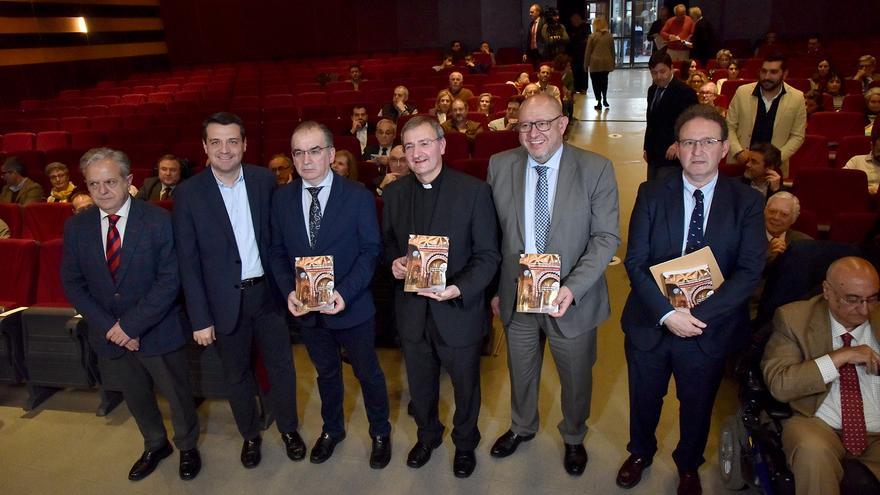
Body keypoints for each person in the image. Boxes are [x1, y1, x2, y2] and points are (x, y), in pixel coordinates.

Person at [618, 105, 766, 495]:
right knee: (645, 397)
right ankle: (641, 452)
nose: (697, 150)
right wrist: (668, 313)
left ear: (724, 148)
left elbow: (750, 271)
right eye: (688, 142)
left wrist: (694, 316)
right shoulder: (651, 192)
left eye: (708, 142)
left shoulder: (746, 201)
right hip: (651, 321)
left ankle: (688, 465)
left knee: (697, 405)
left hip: (709, 327)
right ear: (676, 148)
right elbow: (635, 261)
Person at [487, 94, 621, 476]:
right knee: (521, 369)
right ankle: (522, 426)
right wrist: (498, 289)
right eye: (525, 125)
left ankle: (574, 435)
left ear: (562, 124)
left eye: (543, 123)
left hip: (572, 298)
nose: (533, 134)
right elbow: (497, 235)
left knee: (576, 376)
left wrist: (573, 287)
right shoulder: (500, 166)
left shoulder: (596, 168)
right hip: (519, 292)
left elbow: (606, 237)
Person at [60, 147, 201, 482]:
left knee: (178, 395)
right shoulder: (77, 228)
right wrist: (113, 327)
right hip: (110, 335)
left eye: (110, 181)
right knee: (135, 395)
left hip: (158, 329)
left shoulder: (158, 221)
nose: (102, 191)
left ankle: (186, 446)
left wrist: (132, 325)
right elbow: (74, 283)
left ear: (129, 181)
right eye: (94, 185)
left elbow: (170, 280)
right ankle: (155, 443)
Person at [173, 112, 304, 469]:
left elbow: (278, 242)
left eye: (233, 141)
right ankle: (250, 435)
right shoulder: (188, 194)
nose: (225, 149)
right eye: (216, 142)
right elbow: (188, 262)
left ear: (245, 145)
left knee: (281, 367)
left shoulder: (264, 181)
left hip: (268, 296)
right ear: (204, 147)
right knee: (237, 375)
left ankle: (289, 428)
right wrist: (199, 318)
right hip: (222, 304)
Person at [382, 116, 500, 478]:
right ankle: (428, 435)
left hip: (457, 309)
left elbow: (488, 256)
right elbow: (387, 243)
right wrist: (395, 263)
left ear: (442, 146)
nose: (418, 153)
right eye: (410, 146)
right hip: (413, 311)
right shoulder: (395, 193)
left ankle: (465, 444)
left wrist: (457, 288)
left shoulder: (474, 191)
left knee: (465, 386)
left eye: (425, 143)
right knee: (419, 382)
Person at [270, 121, 392, 468]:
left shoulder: (357, 196)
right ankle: (333, 430)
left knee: (368, 373)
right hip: (308, 309)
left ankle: (380, 432)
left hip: (351, 306)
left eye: (314, 150)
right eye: (298, 152)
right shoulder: (280, 199)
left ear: (330, 154)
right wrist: (288, 291)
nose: (306, 160)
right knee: (325, 374)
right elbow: (276, 252)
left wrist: (345, 293)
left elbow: (371, 251)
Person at [762, 256, 880, 495]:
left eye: (872, 299)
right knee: (811, 450)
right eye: (853, 300)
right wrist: (841, 357)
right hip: (816, 422)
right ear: (827, 291)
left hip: (877, 429)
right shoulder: (794, 319)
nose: (865, 309)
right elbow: (781, 384)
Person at [727, 54, 807, 178]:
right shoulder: (742, 92)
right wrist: (738, 152)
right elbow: (728, 127)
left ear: (784, 74)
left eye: (773, 72)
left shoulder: (797, 98)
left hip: (774, 168)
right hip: (740, 163)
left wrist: (774, 159)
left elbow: (798, 136)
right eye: (764, 71)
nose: (766, 77)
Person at [644, 49, 698, 181]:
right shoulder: (652, 90)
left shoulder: (685, 92)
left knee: (666, 193)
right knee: (652, 191)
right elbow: (650, 121)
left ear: (672, 69)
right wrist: (646, 147)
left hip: (672, 157)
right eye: (654, 73)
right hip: (654, 154)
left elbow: (693, 124)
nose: (659, 77)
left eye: (662, 71)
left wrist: (678, 144)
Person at [765, 192, 812, 264]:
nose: (776, 217)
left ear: (793, 219)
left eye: (784, 214)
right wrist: (767, 254)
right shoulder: (747, 237)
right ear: (764, 212)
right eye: (772, 211)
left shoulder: (806, 243)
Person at [583, 15, 615, 111]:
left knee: (595, 83)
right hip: (606, 62)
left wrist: (585, 64)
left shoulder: (592, 36)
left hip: (595, 63)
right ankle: (605, 97)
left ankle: (599, 101)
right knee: (604, 81)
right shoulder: (609, 36)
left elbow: (588, 52)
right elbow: (612, 51)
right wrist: (613, 62)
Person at [566, 12, 590, 93]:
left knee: (583, 71)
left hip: (583, 52)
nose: (572, 22)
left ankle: (583, 88)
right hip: (574, 53)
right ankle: (575, 88)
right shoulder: (571, 27)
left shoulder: (585, 26)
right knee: (574, 71)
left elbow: (586, 39)